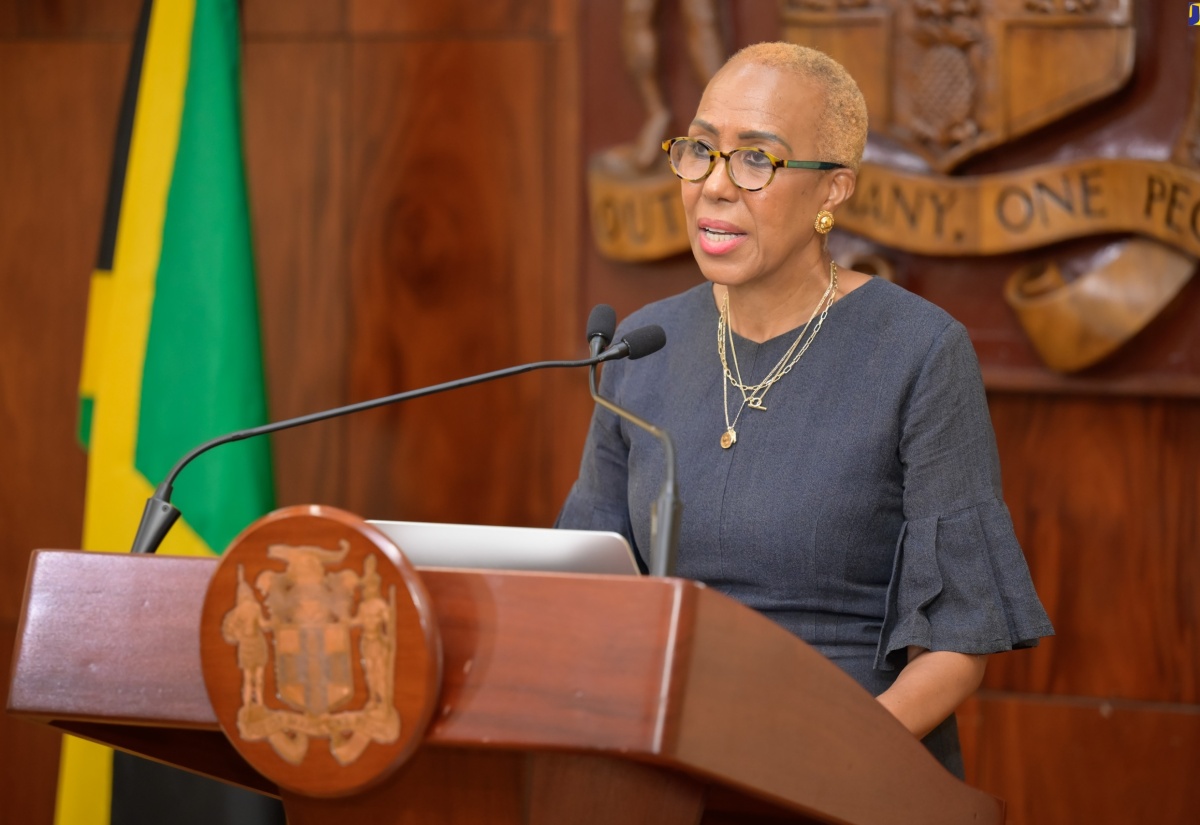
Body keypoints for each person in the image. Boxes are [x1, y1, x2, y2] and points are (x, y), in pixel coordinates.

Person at [557, 41, 1054, 776]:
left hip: (847, 766)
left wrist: (820, 761)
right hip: (669, 763)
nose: (715, 187)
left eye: (757, 159)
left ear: (833, 191)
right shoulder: (640, 348)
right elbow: (577, 583)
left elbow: (956, 646)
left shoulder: (919, 351)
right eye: (700, 149)